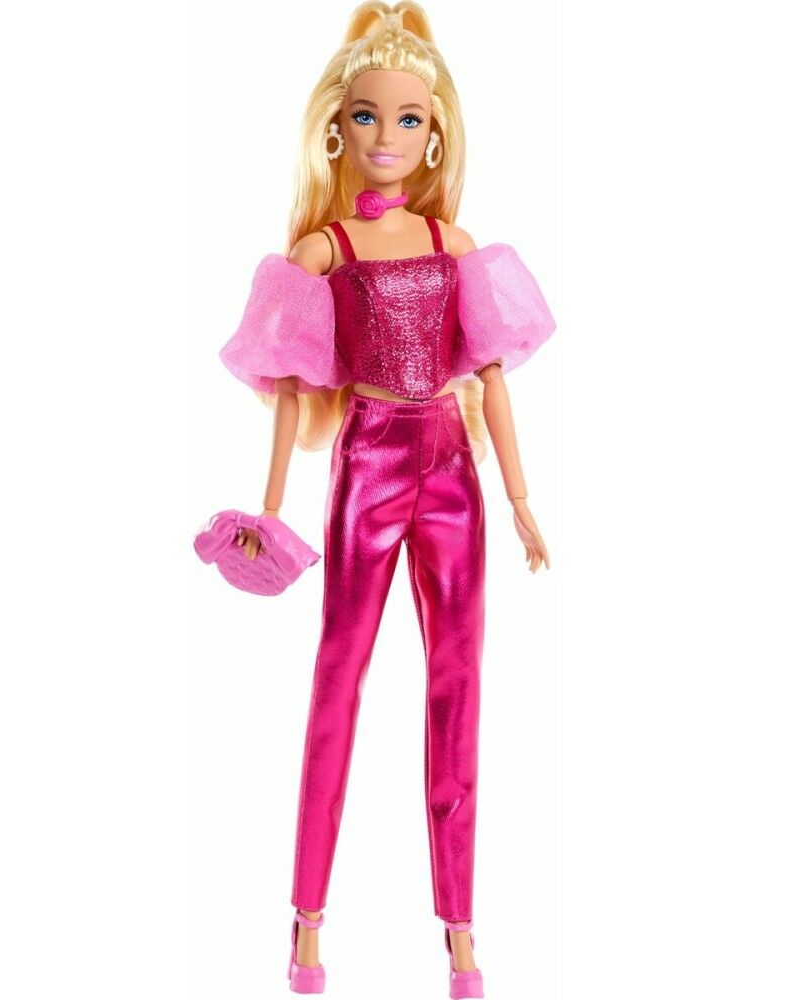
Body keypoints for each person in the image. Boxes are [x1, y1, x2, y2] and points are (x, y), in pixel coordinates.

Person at [216, 3, 555, 995]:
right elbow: (289, 387)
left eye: (407, 118)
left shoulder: (457, 242)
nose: (386, 136)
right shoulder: (323, 251)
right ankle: (306, 920)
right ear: (336, 127)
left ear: (436, 129)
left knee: (458, 685)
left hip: (452, 472)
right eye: (366, 116)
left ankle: (460, 927)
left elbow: (491, 375)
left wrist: (521, 497)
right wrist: (269, 507)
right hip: (366, 463)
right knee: (339, 679)